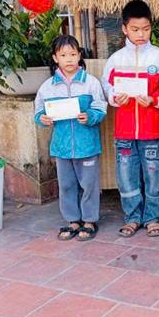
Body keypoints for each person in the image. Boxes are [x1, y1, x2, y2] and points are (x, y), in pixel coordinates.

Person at [101, 0, 159, 238]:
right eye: (135, 29)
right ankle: (132, 217)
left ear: (151, 27)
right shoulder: (115, 60)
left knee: (153, 175)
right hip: (124, 130)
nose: (141, 34)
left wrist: (155, 100)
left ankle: (152, 217)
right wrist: (115, 98)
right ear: (124, 29)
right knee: (126, 177)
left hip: (153, 128)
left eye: (146, 29)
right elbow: (107, 87)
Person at [34, 34, 107, 241]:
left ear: (79, 55)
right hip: (62, 147)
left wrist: (90, 116)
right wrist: (42, 119)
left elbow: (101, 107)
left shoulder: (90, 83)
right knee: (66, 185)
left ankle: (90, 220)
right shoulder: (48, 87)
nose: (69, 59)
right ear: (55, 58)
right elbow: (38, 111)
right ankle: (72, 220)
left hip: (87, 145)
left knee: (89, 185)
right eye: (63, 55)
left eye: (73, 54)